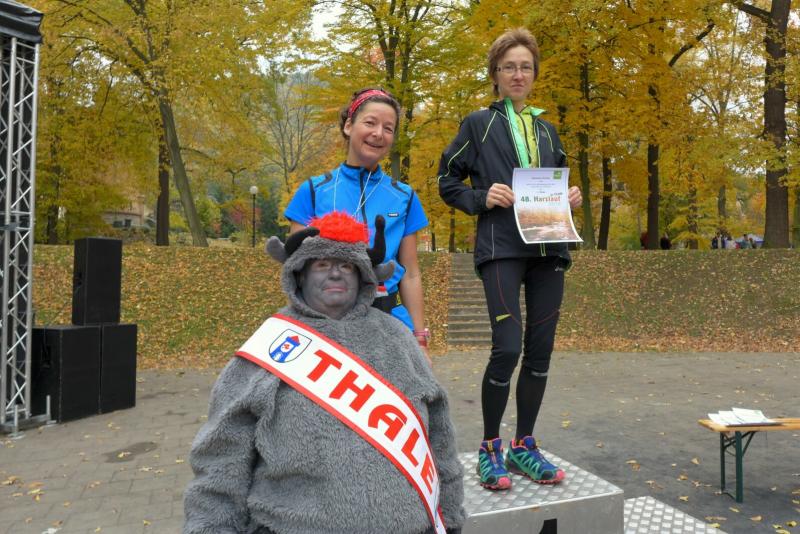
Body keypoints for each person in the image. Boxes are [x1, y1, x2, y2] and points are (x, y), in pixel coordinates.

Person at [184, 212, 465, 534]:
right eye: (321, 264)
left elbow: (441, 437)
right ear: (300, 275)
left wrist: (451, 517)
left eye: (346, 265)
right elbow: (220, 456)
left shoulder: (398, 339)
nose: (335, 273)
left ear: (363, 276)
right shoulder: (270, 344)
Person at [437, 28, 582, 490]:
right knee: (507, 348)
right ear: (495, 75)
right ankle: (489, 449)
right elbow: (447, 181)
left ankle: (523, 446)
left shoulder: (548, 130)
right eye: (509, 67)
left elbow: (555, 184)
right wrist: (481, 196)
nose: (518, 75)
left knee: (541, 351)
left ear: (534, 74)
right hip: (501, 247)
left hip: (549, 247)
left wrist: (570, 196)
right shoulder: (478, 123)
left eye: (525, 67)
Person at [284, 88, 431, 353]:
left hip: (388, 322)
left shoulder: (405, 197)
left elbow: (410, 273)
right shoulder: (313, 190)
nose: (379, 133)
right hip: (327, 323)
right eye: (370, 123)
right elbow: (295, 267)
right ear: (349, 126)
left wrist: (420, 339)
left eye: (388, 128)